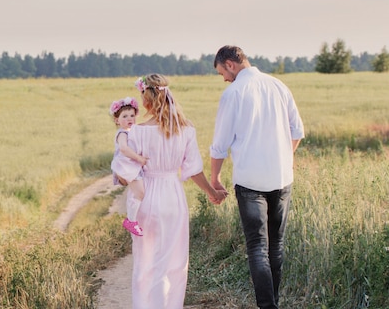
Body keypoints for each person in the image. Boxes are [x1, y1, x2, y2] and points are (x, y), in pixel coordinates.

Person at [114, 73, 228, 309]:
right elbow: (194, 170)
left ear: (145, 102)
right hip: (173, 197)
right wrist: (212, 192)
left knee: (145, 262)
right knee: (174, 263)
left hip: (145, 196)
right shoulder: (186, 130)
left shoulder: (134, 132)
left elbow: (124, 174)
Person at [209, 45, 305, 309]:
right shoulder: (279, 86)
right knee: (276, 246)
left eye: (222, 73)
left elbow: (219, 145)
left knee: (257, 247)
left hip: (250, 181)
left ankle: (267, 306)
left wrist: (214, 178)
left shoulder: (233, 94)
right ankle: (272, 304)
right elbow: (297, 131)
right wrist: (284, 156)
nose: (225, 79)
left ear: (230, 64)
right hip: (282, 176)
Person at [109, 96, 149, 236]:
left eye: (132, 115)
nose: (129, 118)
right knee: (140, 192)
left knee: (135, 193)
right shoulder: (122, 133)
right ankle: (131, 220)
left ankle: (133, 218)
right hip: (127, 166)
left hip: (132, 166)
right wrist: (139, 158)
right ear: (117, 120)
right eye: (125, 116)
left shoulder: (132, 132)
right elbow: (124, 149)